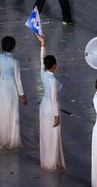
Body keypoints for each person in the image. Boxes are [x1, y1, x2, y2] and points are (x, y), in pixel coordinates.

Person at [0, 17, 27, 149]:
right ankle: (11, 138)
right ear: (13, 47)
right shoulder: (15, 62)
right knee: (12, 111)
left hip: (1, 87)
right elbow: (18, 79)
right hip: (11, 88)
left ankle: (3, 138)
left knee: (3, 111)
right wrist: (22, 95)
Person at [36, 34, 65, 171]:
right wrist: (57, 115)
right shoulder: (53, 81)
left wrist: (43, 44)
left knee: (45, 133)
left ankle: (46, 160)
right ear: (55, 65)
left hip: (43, 106)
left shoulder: (43, 74)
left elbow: (41, 62)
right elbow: (54, 99)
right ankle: (52, 162)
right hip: (51, 108)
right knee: (53, 134)